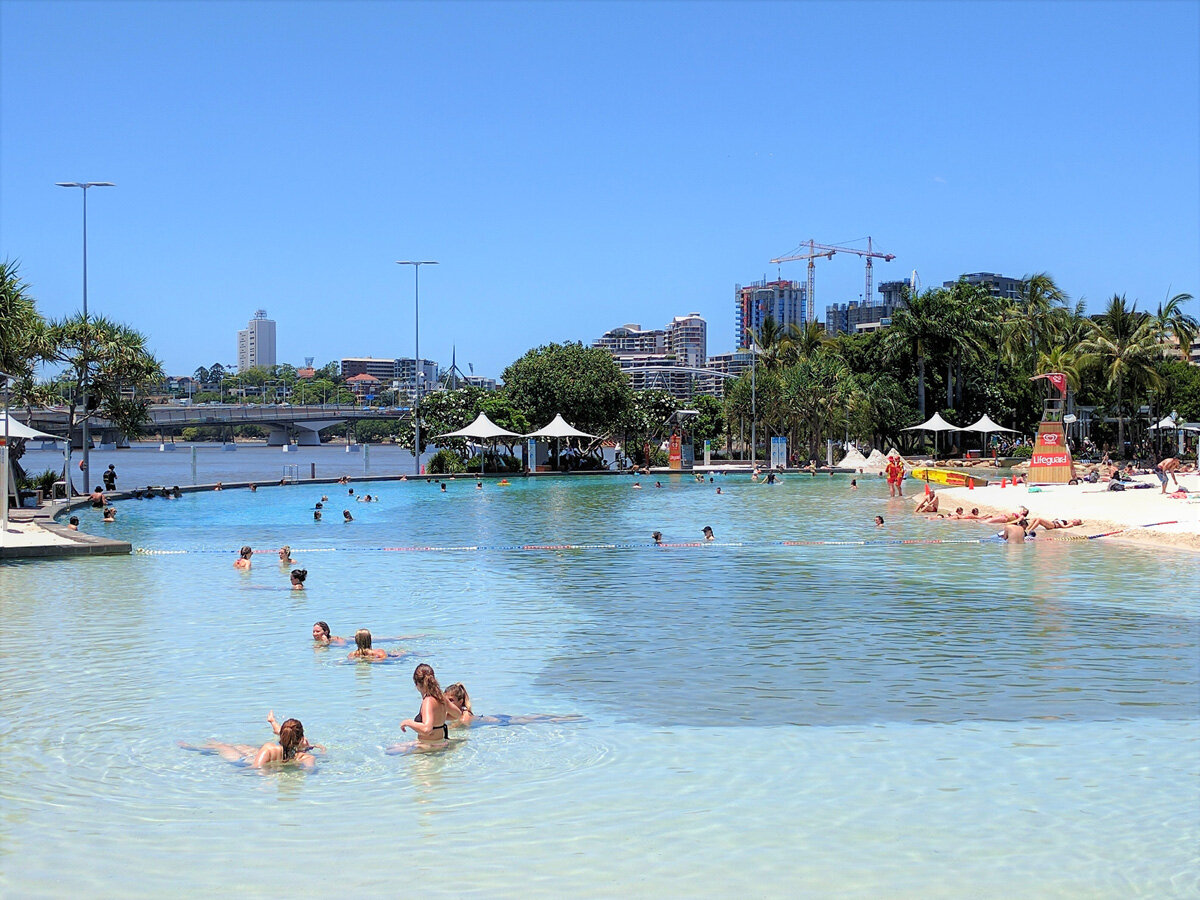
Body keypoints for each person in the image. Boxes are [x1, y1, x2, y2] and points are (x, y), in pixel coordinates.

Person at [184, 713, 316, 769]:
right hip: (260, 756)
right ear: (301, 738)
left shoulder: (269, 748)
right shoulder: (305, 754)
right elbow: (309, 770)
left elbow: (255, 768)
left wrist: (235, 773)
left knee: (222, 746)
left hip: (242, 762)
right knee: (242, 746)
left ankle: (192, 747)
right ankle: (210, 745)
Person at [443, 683, 585, 729]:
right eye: (446, 700)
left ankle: (565, 719)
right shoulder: (461, 712)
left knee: (540, 720)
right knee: (531, 718)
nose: (448, 704)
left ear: (460, 701)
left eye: (451, 700)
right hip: (496, 718)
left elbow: (458, 727)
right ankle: (567, 717)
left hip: (500, 721)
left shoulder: (464, 715)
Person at [392, 663, 453, 750]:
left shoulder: (428, 701)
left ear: (417, 685)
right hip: (439, 742)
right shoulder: (441, 698)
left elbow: (427, 729)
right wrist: (440, 719)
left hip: (429, 746)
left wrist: (408, 722)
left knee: (390, 752)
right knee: (392, 748)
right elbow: (457, 714)